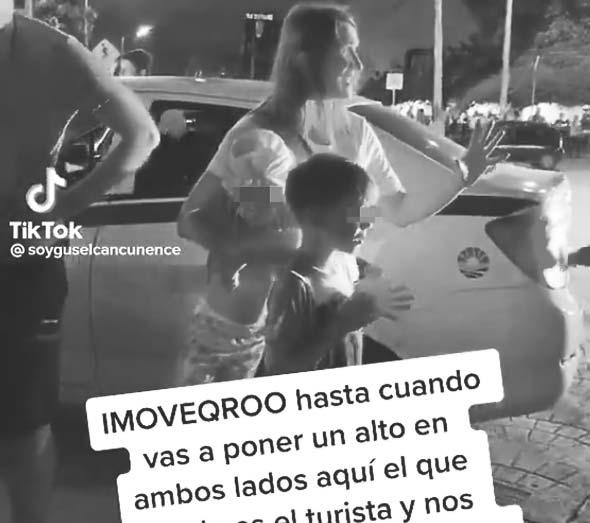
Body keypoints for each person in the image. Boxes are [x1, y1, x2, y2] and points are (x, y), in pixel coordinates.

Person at [176, 2, 504, 385]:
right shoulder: (257, 135)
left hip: (331, 317)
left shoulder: (357, 133)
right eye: (345, 50)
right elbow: (191, 217)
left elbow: (394, 209)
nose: (357, 62)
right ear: (304, 58)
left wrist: (460, 178)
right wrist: (237, 248)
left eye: (357, 49)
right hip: (244, 331)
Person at [0, 4, 159, 523]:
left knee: (22, 430)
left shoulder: (49, 49)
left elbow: (143, 133)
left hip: (19, 267)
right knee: (23, 431)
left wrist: (64, 207)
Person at [261, 154, 413, 375]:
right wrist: (341, 324)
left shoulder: (343, 260)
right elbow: (278, 368)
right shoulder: (294, 286)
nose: (368, 223)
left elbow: (351, 273)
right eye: (359, 213)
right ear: (315, 216)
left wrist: (369, 278)